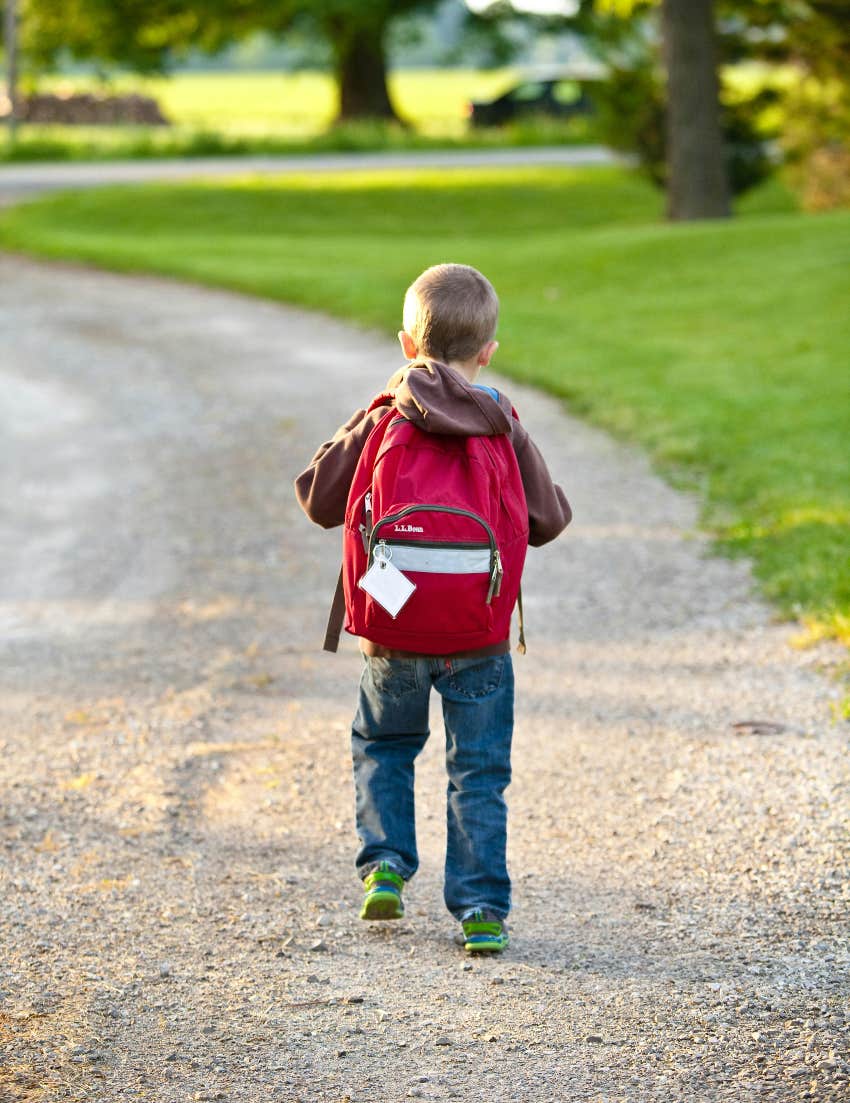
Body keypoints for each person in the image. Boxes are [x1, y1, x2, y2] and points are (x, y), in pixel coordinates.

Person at [294, 263, 570, 952]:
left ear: (406, 345)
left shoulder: (387, 413)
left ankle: (385, 864)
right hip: (479, 634)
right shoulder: (500, 417)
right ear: (488, 351)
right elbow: (548, 519)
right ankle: (480, 909)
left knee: (385, 744)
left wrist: (375, 407)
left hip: (393, 630)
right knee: (477, 770)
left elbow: (318, 497)